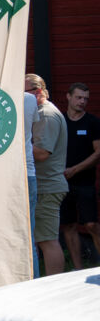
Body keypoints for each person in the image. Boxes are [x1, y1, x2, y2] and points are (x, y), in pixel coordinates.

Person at [27, 74, 68, 276]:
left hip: (47, 185)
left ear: (38, 92)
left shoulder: (46, 115)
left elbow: (42, 152)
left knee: (47, 240)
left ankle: (54, 288)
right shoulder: (41, 112)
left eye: (24, 93)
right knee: (42, 238)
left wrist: (19, 144)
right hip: (45, 185)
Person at [61, 82, 100, 269]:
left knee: (91, 224)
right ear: (68, 97)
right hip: (62, 182)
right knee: (68, 225)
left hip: (85, 182)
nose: (82, 101)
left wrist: (75, 169)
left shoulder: (92, 122)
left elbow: (98, 152)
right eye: (78, 97)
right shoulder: (59, 121)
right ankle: (78, 270)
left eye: (85, 99)